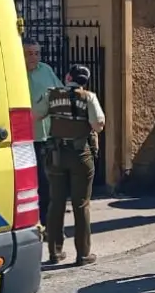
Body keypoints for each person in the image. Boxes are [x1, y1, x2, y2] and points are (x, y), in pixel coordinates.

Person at [33, 65, 105, 264]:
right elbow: (98, 124)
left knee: (56, 203)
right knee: (81, 204)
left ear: (68, 77)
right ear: (85, 81)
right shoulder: (89, 97)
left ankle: (55, 253)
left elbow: (36, 115)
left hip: (56, 154)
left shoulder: (52, 95)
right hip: (81, 154)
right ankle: (83, 254)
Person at [23, 37, 62, 233]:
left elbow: (59, 91)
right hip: (25, 139)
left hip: (46, 136)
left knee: (47, 183)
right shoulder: (15, 72)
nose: (34, 57)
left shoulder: (45, 70)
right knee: (29, 184)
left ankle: (48, 225)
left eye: (37, 53)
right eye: (29, 53)